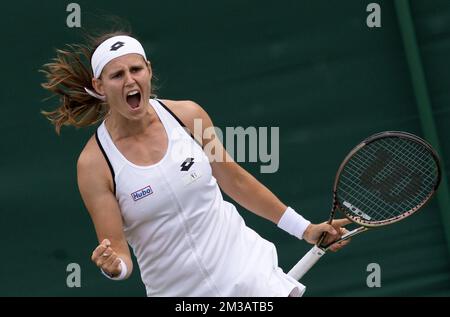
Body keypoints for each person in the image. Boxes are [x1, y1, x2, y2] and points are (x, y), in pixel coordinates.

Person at [41, 31, 350, 297]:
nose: (130, 80)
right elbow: (119, 252)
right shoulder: (94, 164)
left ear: (148, 70)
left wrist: (304, 229)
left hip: (248, 275)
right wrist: (114, 267)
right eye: (117, 75)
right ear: (99, 86)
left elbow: (236, 181)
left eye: (136, 69)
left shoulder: (188, 116)